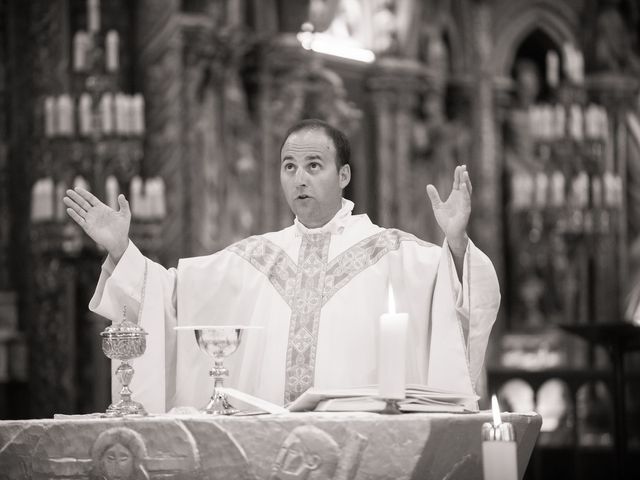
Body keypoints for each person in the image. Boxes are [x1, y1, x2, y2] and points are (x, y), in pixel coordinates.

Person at [64, 119, 500, 412]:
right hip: (266, 447)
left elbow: (458, 297)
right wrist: (123, 251)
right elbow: (173, 298)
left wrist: (457, 242)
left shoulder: (391, 253)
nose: (300, 178)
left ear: (344, 175)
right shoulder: (256, 257)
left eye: (314, 165)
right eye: (289, 166)